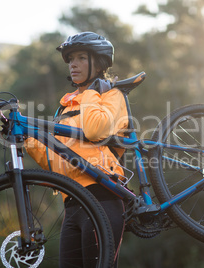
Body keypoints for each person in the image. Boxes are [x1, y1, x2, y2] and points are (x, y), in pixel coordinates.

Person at [24, 32, 128, 267]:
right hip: (71, 201)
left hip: (102, 195)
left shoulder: (112, 95)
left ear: (98, 62)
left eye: (81, 57)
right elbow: (54, 158)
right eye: (71, 59)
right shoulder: (66, 107)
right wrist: (25, 138)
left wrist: (90, 92)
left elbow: (95, 129)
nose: (73, 64)